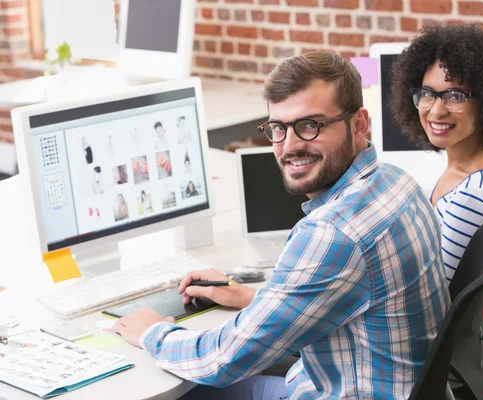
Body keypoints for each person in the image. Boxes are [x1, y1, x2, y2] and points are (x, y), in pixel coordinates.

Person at [112, 52, 449, 399]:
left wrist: (152, 333)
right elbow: (340, 294)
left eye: (310, 125)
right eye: (277, 128)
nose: (289, 146)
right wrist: (251, 297)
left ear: (359, 124)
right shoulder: (398, 183)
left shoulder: (333, 232)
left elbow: (222, 360)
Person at [389, 24, 483, 281]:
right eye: (427, 94)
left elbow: (436, 297)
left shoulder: (470, 199)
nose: (436, 111)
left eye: (455, 96)